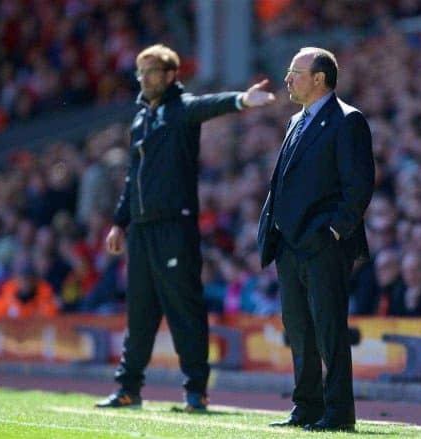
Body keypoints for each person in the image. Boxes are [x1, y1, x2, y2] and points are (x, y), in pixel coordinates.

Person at [96, 44, 275, 410]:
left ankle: (196, 390)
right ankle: (128, 388)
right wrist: (119, 222)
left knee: (184, 308)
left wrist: (243, 99)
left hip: (175, 227)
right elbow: (134, 177)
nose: (144, 78)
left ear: (170, 75)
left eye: (151, 72)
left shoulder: (179, 110)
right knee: (140, 311)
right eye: (140, 72)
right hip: (142, 231)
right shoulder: (140, 119)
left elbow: (208, 104)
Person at [258, 47, 374, 432]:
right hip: (289, 245)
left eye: (295, 73)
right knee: (299, 329)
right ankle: (306, 407)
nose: (288, 79)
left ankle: (339, 413)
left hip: (324, 244)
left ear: (319, 78)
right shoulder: (296, 121)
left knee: (329, 330)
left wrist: (333, 231)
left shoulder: (347, 121)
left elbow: (358, 185)